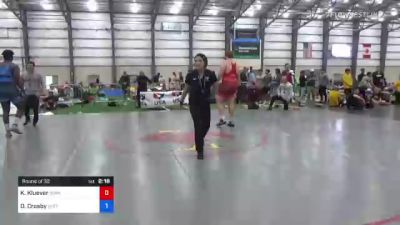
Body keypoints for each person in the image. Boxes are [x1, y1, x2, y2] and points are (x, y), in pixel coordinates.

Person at [180, 53, 218, 160]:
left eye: (199, 60)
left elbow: (216, 85)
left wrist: (213, 95)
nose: (197, 63)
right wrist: (182, 99)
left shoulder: (210, 74)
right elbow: (186, 88)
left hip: (205, 103)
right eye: (195, 61)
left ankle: (199, 140)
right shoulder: (191, 75)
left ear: (204, 62)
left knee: (206, 125)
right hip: (194, 103)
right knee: (198, 125)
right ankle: (200, 151)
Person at [0, 50, 24, 138]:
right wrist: (22, 89)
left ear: (3, 56)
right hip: (11, 88)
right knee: (21, 106)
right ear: (11, 57)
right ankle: (15, 125)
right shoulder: (14, 66)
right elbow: (17, 79)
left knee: (5, 110)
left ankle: (7, 132)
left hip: (1, 90)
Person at [216, 51, 240, 127]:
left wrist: (218, 80)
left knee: (219, 100)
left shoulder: (224, 62)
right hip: (234, 83)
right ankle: (231, 120)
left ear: (226, 55)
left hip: (226, 82)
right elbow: (238, 75)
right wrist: (238, 84)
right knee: (231, 102)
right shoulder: (236, 63)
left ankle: (222, 119)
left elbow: (220, 73)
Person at [22, 61, 44, 126]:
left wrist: (40, 92)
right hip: (26, 93)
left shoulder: (38, 75)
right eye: (28, 66)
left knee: (35, 109)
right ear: (26, 67)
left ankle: (35, 121)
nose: (29, 67)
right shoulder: (23, 74)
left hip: (35, 93)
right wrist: (21, 91)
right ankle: (27, 119)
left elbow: (42, 84)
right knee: (26, 109)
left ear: (33, 67)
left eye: (31, 66)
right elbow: (20, 83)